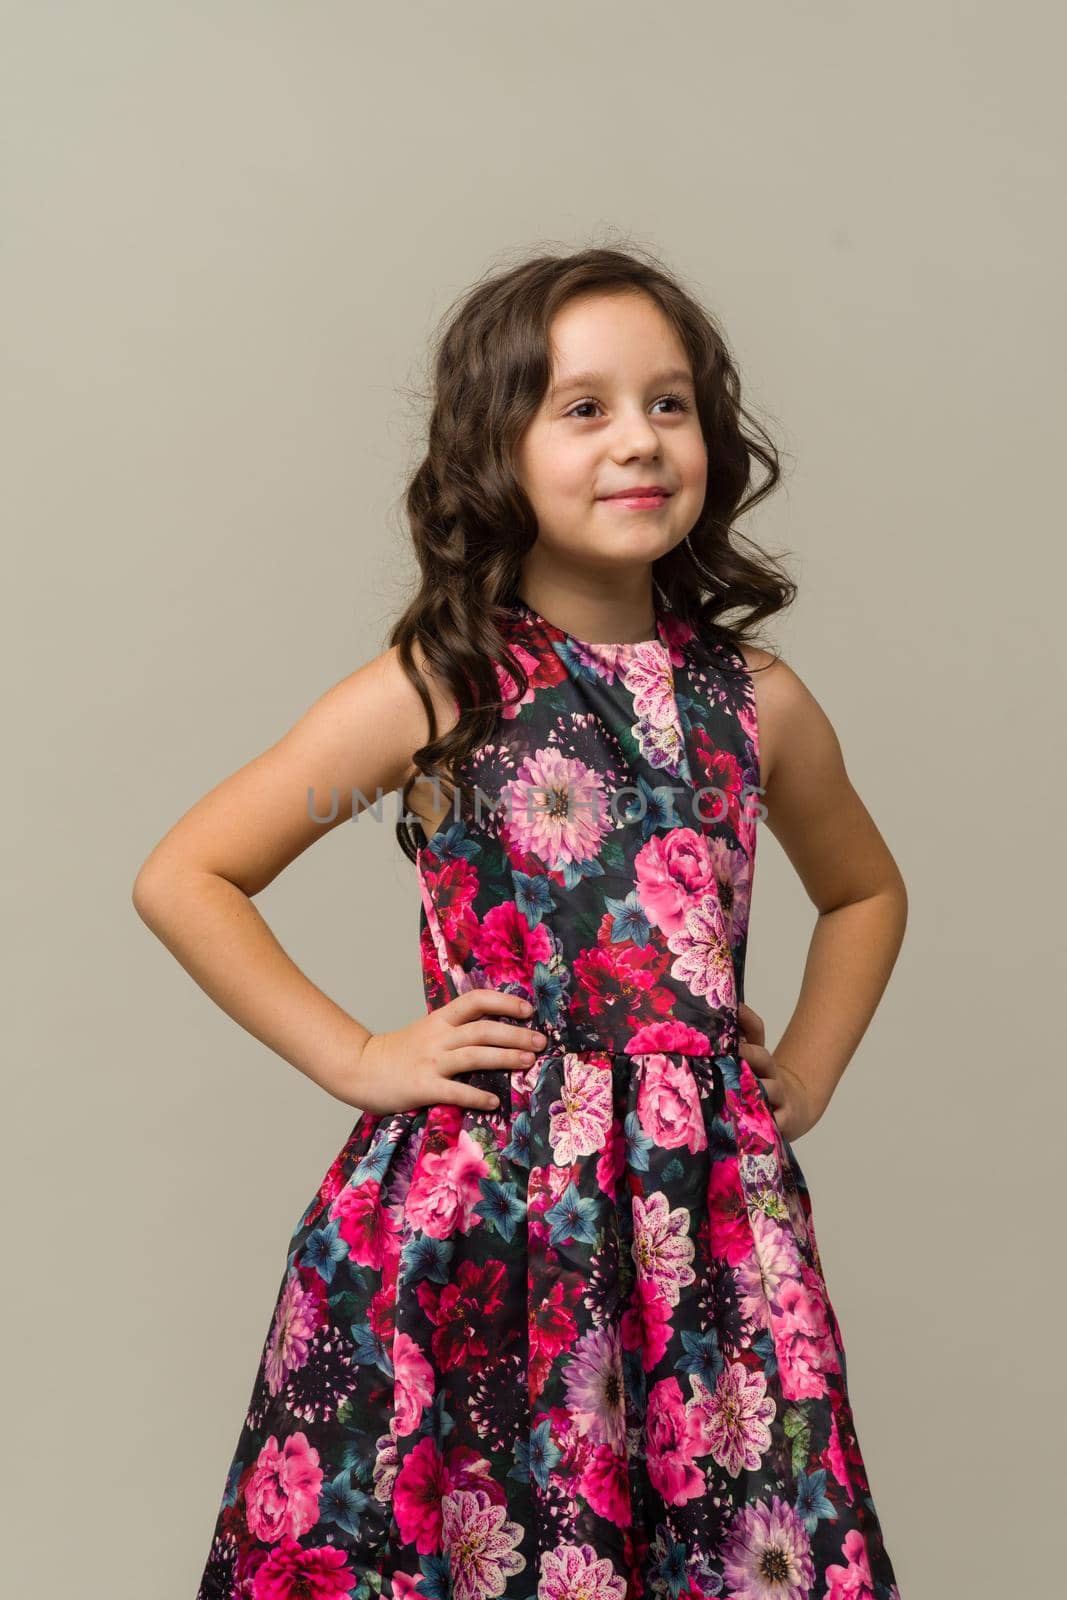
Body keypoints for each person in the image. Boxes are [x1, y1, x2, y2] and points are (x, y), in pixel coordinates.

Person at [134, 245, 906, 1600]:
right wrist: (357, 1056)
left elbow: (864, 891)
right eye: (585, 407)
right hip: (482, 1222)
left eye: (671, 404)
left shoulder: (755, 702)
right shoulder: (442, 689)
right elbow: (191, 872)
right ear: (498, 446)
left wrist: (812, 1071)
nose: (640, 442)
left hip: (704, 1231)